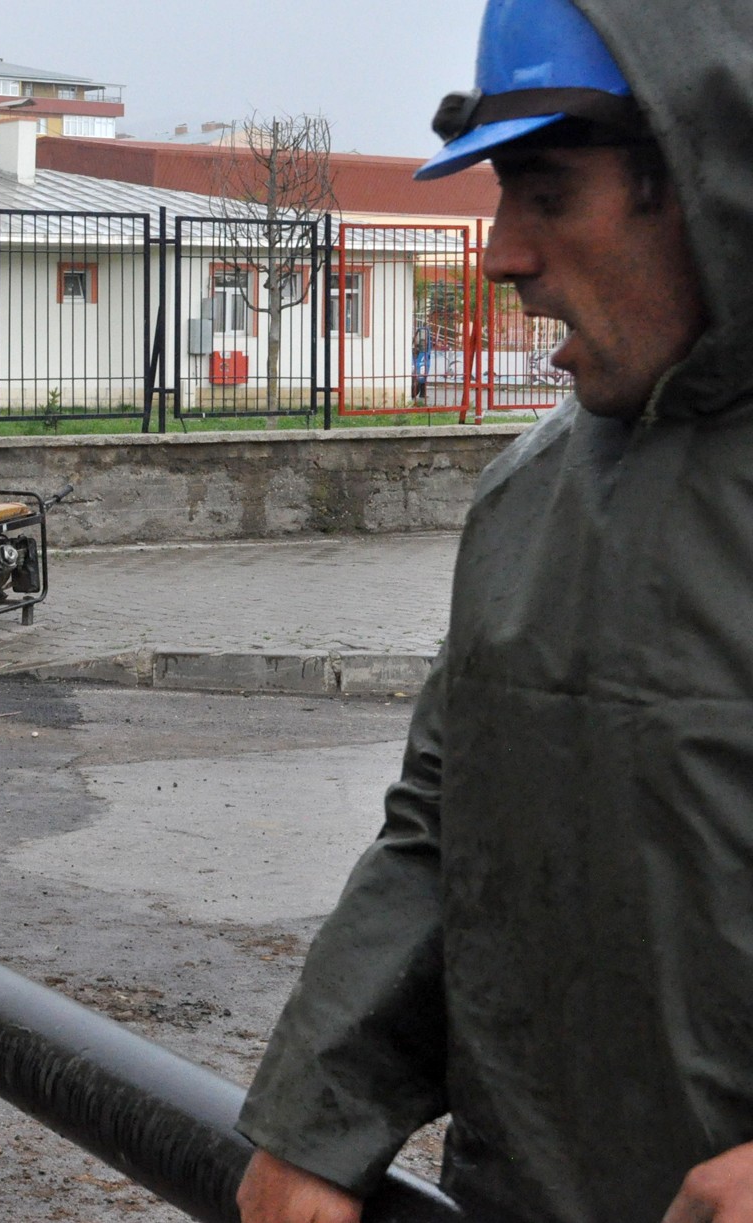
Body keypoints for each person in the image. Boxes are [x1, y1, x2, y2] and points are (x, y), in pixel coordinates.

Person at [234, 0, 753, 1219]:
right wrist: (312, 1121)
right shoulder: (524, 498)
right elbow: (436, 831)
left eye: (544, 193)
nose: (499, 253)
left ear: (701, 177)